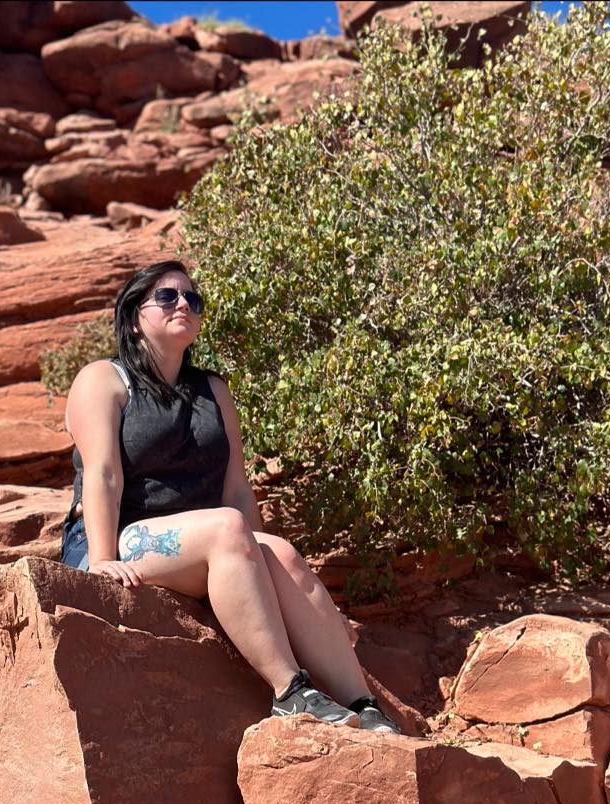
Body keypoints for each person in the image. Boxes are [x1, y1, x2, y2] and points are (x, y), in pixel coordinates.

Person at [60, 260, 400, 734]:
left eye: (192, 300)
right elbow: (102, 475)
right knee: (228, 529)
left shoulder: (212, 390)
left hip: (203, 538)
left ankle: (362, 705)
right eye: (167, 297)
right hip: (119, 536)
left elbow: (236, 487)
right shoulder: (105, 379)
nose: (183, 304)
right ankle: (290, 692)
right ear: (135, 314)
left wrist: (257, 564)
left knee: (279, 551)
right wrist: (99, 559)